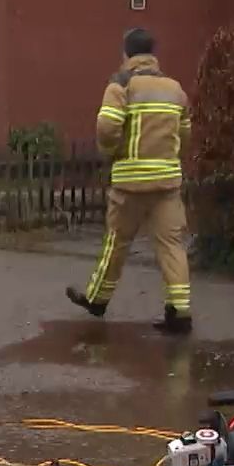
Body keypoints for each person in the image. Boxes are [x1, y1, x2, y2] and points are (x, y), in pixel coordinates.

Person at [66, 28, 194, 335]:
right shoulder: (175, 88)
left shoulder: (121, 84)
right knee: (172, 245)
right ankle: (179, 312)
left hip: (130, 184)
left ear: (126, 54)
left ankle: (98, 299)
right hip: (166, 183)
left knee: (117, 243)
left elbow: (107, 128)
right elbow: (185, 134)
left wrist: (110, 153)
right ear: (153, 54)